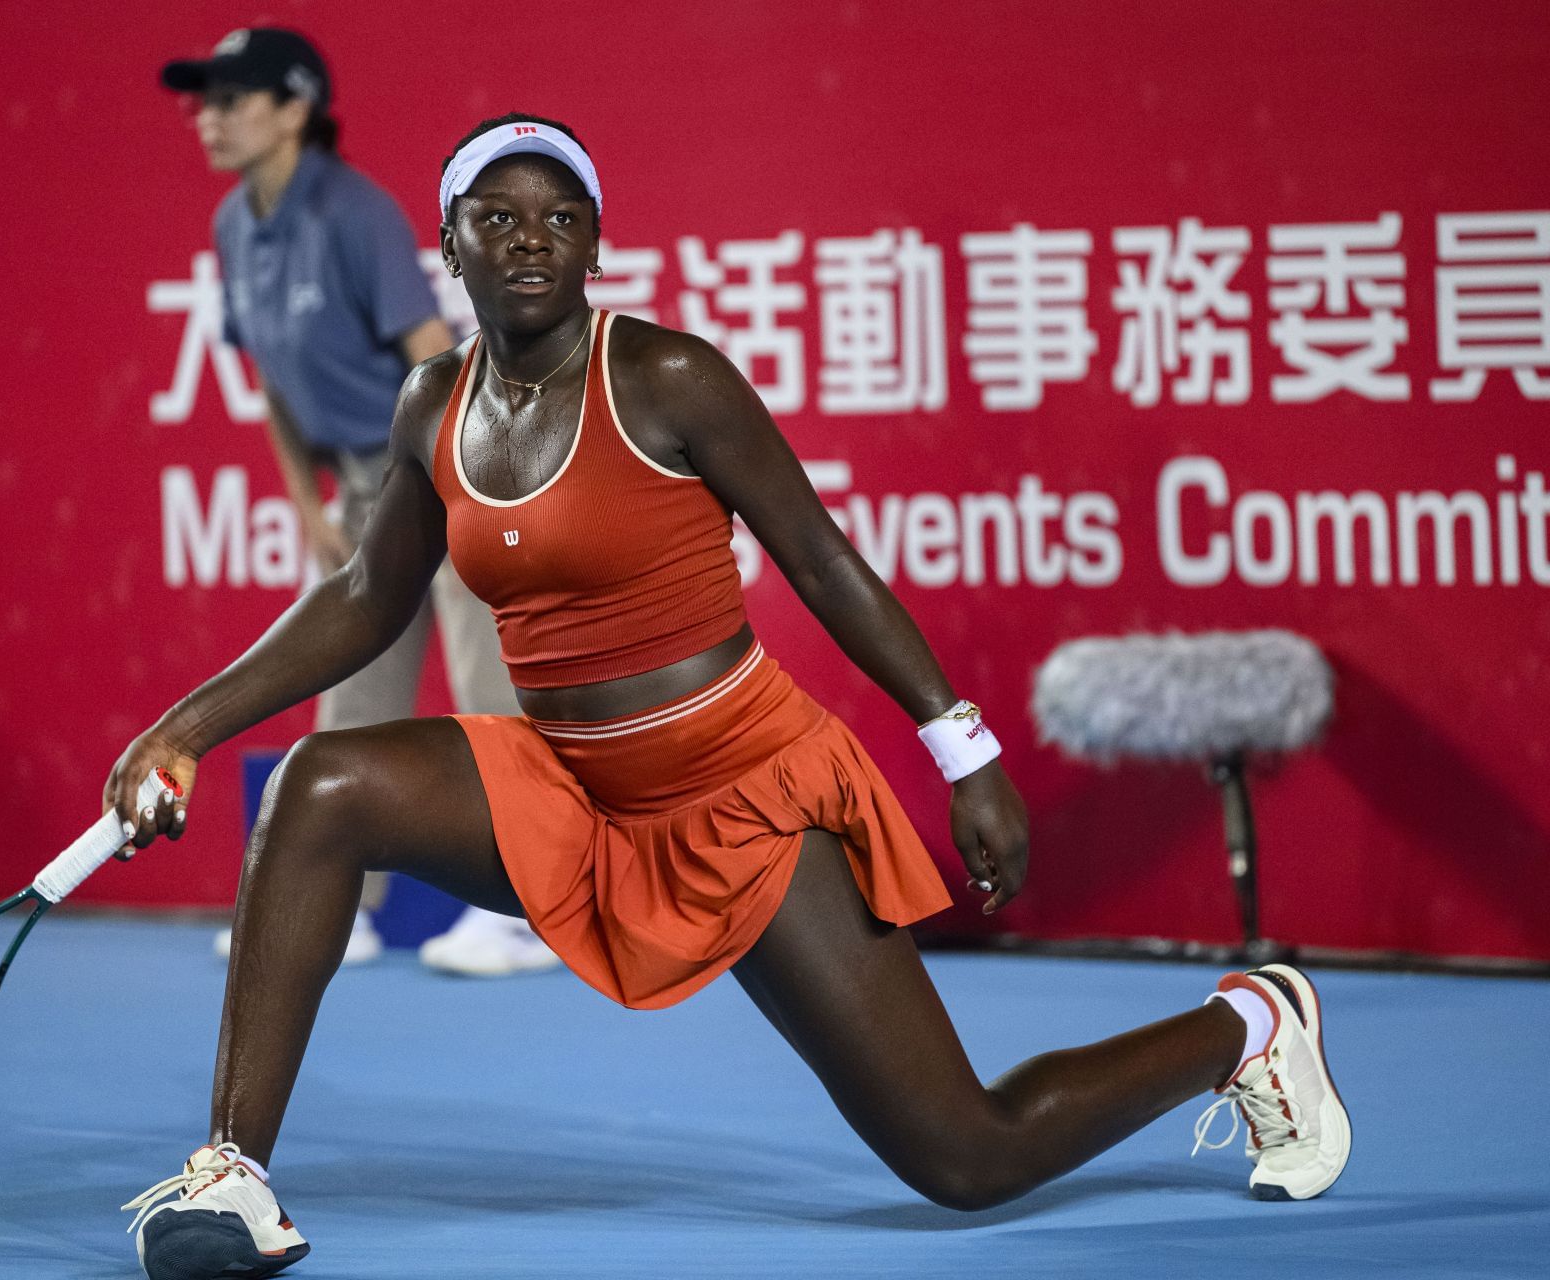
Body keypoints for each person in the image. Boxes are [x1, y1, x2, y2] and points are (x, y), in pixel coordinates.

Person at [109, 115, 1352, 1279]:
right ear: (449, 244)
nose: (530, 236)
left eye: (559, 214)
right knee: (323, 787)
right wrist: (188, 725)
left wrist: (963, 749)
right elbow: (368, 595)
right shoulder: (433, 403)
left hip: (742, 798)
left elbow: (825, 561)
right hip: (567, 785)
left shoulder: (668, 376)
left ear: (597, 242)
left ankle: (1247, 1024)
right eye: (497, 215)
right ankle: (234, 1174)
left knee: (970, 1155)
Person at [159, 29, 557, 975]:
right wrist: (310, 501)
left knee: (488, 689)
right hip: (361, 476)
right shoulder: (231, 225)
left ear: (296, 108)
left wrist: (451, 483)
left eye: (233, 97)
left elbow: (433, 351)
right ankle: (350, 907)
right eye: (202, 98)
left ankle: (524, 909)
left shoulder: (354, 213)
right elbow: (275, 378)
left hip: (451, 456)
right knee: (351, 694)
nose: (207, 116)